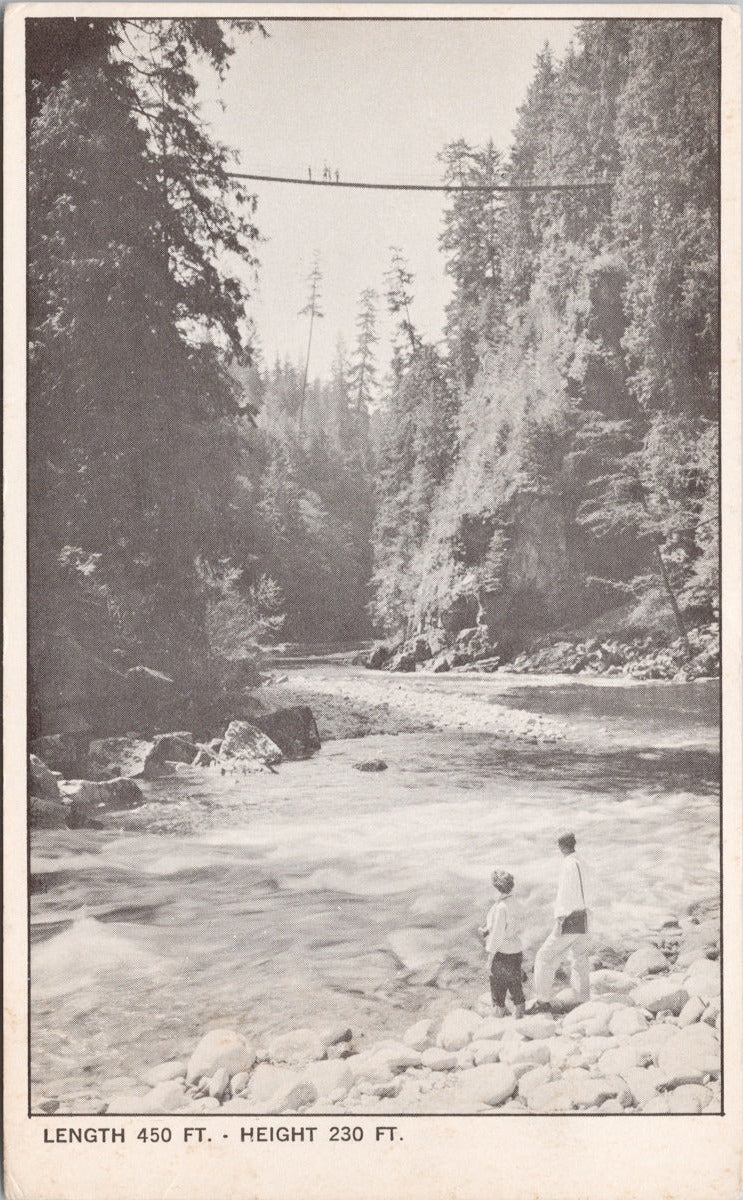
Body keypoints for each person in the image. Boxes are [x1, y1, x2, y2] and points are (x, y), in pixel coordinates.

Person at [529, 832, 591, 1013]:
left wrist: (559, 919)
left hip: (571, 918)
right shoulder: (582, 861)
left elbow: (566, 894)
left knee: (543, 957)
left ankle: (542, 1001)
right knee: (580, 959)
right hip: (586, 916)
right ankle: (583, 1000)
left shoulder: (567, 865)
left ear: (561, 846)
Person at [480, 868, 525, 1018]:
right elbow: (512, 926)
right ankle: (519, 1008)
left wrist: (490, 954)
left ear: (497, 888)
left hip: (503, 951)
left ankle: (500, 1009)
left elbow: (498, 935)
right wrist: (490, 928)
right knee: (514, 980)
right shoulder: (515, 903)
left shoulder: (501, 908)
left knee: (496, 981)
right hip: (516, 949)